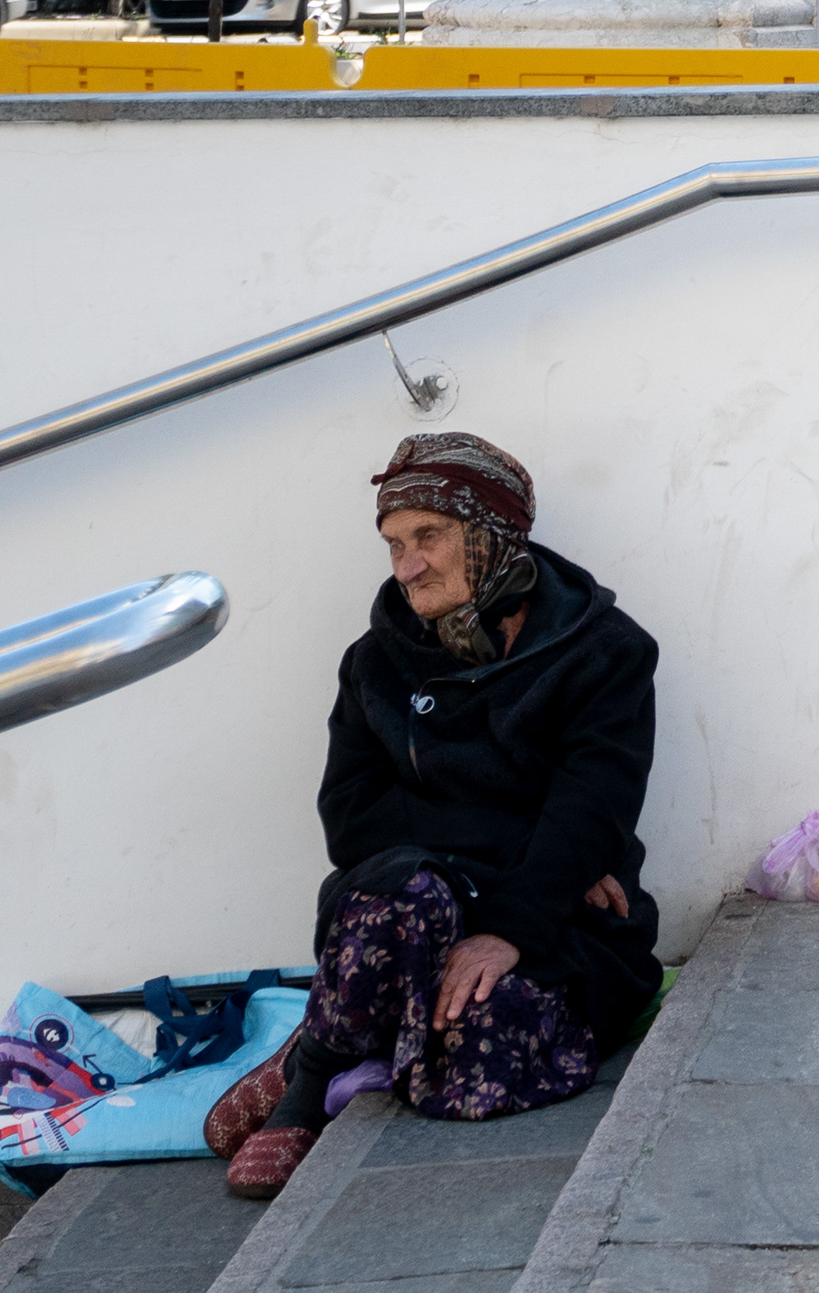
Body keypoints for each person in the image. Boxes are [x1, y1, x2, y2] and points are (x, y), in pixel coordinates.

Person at [203, 434, 660, 1197]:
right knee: (402, 886)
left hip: (558, 923)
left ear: (493, 534)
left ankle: (369, 1027)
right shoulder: (375, 663)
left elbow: (593, 810)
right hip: (411, 909)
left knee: (478, 1076)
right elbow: (351, 819)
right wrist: (520, 859)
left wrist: (512, 919)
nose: (407, 566)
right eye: (393, 545)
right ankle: (313, 1068)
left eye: (428, 537)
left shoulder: (605, 653)